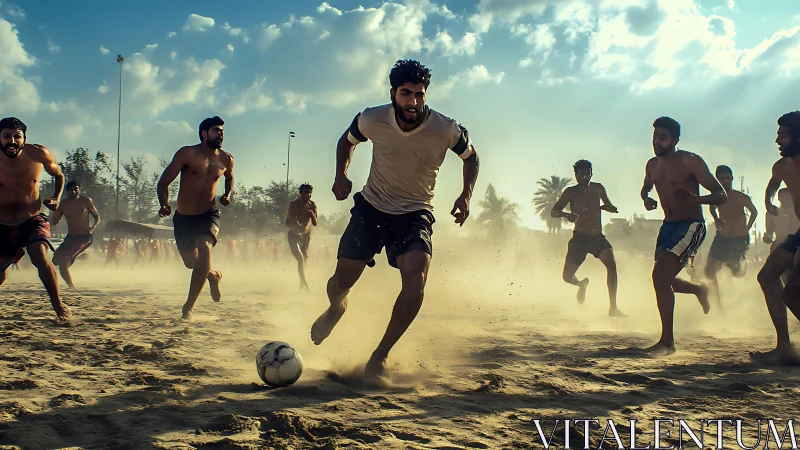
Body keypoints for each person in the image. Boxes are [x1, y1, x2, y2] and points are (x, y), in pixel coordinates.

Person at [310, 59, 480, 382]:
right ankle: (336, 308)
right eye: (406, 94)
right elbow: (346, 141)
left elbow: (472, 158)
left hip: (415, 212)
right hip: (372, 207)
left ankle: (380, 355)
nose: (413, 102)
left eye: (419, 94)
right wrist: (340, 175)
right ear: (393, 93)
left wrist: (465, 195)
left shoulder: (446, 128)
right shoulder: (372, 118)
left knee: (416, 280)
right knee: (342, 280)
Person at [640, 116, 727, 355]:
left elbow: (721, 195)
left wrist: (698, 199)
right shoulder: (652, 165)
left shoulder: (690, 162)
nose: (657, 142)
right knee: (663, 279)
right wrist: (646, 198)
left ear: (675, 140)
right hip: (667, 226)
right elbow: (646, 186)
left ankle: (667, 342)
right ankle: (700, 290)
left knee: (660, 276)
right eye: (655, 136)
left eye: (663, 137)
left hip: (691, 226)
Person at [157, 116, 234, 321]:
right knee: (192, 263)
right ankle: (212, 276)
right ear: (204, 133)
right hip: (183, 218)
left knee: (205, 247)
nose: (221, 134)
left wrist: (227, 195)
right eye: (216, 130)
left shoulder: (226, 159)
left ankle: (188, 308)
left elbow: (229, 177)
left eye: (222, 131)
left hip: (208, 215)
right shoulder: (186, 154)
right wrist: (163, 204)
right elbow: (163, 182)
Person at [0, 117, 72, 322]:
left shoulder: (39, 153)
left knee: (39, 254)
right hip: (1, 224)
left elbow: (58, 175)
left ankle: (59, 307)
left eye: (17, 137)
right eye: (6, 136)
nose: (11, 141)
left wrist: (56, 198)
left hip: (31, 219)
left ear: (24, 138)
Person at [752, 111, 800, 363]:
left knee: (792, 293)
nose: (777, 139)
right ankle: (784, 347)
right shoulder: (781, 166)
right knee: (767, 276)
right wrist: (768, 201)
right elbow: (773, 184)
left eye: (783, 134)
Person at [551, 160, 625, 317]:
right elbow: (554, 211)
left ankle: (613, 308)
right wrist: (566, 215)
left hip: (597, 237)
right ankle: (581, 284)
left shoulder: (598, 188)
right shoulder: (570, 192)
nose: (586, 177)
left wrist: (611, 208)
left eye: (588, 173)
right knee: (567, 277)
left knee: (611, 264)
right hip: (579, 239)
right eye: (582, 174)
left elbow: (609, 204)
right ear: (576, 175)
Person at [703, 165, 757, 309]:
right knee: (709, 271)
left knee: (735, 272)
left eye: (728, 178)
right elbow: (712, 206)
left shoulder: (741, 197)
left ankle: (741, 264)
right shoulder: (718, 196)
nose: (726, 181)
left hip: (739, 237)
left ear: (732, 178)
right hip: (723, 236)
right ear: (718, 180)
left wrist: (747, 228)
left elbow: (754, 212)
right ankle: (717, 303)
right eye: (722, 179)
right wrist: (716, 218)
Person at [49, 181, 100, 289]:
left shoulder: (86, 201)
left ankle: (71, 287)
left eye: (75, 189)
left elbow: (97, 216)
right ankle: (55, 283)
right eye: (70, 190)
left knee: (64, 263)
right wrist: (53, 210)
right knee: (54, 261)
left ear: (79, 190)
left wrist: (92, 228)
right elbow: (54, 221)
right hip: (71, 237)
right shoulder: (63, 203)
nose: (73, 192)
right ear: (67, 191)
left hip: (84, 237)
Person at [286, 183, 318, 291]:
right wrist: (292, 219)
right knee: (300, 259)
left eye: (309, 193)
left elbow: (315, 223)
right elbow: (287, 223)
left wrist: (311, 214)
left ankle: (301, 282)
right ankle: (305, 284)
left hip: (305, 236)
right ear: (300, 193)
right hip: (293, 235)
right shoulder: (293, 204)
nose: (307, 195)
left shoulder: (312, 205)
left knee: (305, 259)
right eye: (305, 192)